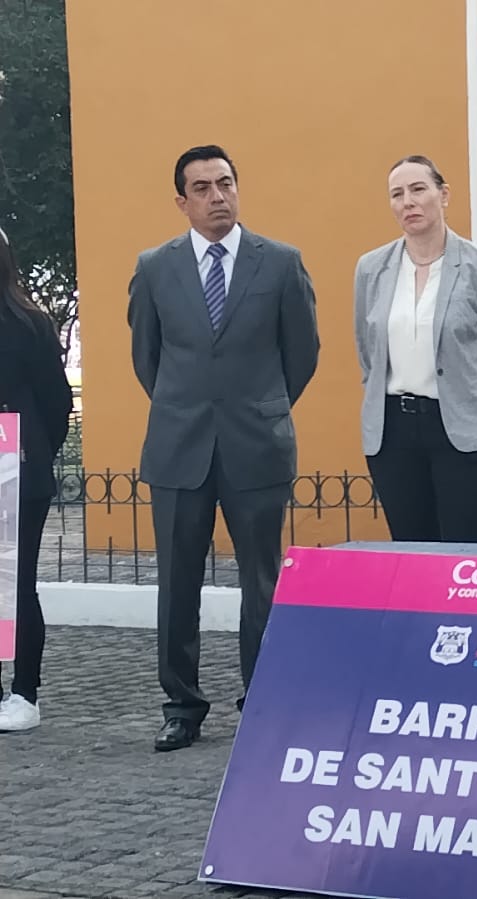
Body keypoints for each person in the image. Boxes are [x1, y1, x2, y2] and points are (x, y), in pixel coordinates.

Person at [127, 145, 320, 752]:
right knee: (177, 581)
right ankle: (181, 705)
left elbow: (303, 354)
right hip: (180, 446)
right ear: (182, 201)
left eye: (226, 183)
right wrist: (188, 405)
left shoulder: (281, 263)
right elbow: (147, 358)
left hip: (256, 445)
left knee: (260, 580)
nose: (218, 196)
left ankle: (260, 698)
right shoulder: (155, 267)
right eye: (203, 188)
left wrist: (259, 404)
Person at [354, 156, 477, 543]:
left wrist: (473, 406)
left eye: (417, 189)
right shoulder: (371, 268)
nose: (407, 202)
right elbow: (368, 354)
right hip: (393, 430)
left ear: (443, 195)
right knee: (411, 550)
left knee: (464, 550)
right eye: (397, 194)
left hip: (460, 427)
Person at [0, 227, 74, 733]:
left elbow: (57, 401)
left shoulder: (28, 324)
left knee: (14, 582)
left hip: (14, 455)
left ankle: (24, 692)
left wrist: (30, 447)